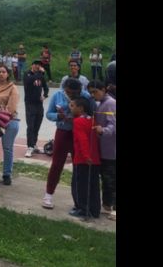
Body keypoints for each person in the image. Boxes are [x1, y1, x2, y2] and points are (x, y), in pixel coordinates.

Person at [41, 77, 90, 210]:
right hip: (63, 132)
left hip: (79, 133)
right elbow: (49, 113)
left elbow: (91, 112)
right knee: (57, 164)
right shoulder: (58, 95)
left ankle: (79, 199)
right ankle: (48, 194)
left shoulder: (85, 96)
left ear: (79, 90)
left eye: (74, 93)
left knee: (79, 166)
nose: (71, 95)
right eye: (68, 92)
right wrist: (58, 116)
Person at [0, 65, 20, 185]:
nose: (1, 74)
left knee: (7, 148)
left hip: (9, 121)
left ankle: (7, 174)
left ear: (7, 74)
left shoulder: (13, 88)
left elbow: (11, 107)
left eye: (3, 72)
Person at [68, 96, 101, 220]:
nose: (71, 109)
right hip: (95, 158)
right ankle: (95, 209)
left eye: (73, 106)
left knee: (80, 185)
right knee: (94, 185)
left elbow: (82, 140)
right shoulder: (92, 120)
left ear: (80, 108)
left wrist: (86, 156)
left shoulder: (78, 121)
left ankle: (82, 209)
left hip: (82, 159)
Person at [89, 79, 116, 220]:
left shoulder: (110, 103)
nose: (94, 95)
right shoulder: (101, 104)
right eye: (91, 93)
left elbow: (113, 126)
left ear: (104, 89)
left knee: (111, 180)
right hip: (103, 149)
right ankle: (107, 206)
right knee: (106, 179)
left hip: (111, 150)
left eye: (95, 92)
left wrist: (102, 130)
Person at [23, 60, 49, 157]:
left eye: (39, 65)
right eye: (36, 64)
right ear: (32, 65)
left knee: (37, 125)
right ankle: (29, 147)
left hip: (39, 104)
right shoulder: (27, 74)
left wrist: (45, 95)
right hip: (29, 104)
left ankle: (34, 144)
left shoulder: (40, 76)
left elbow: (46, 87)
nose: (37, 66)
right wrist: (40, 72)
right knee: (30, 126)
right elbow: (29, 81)